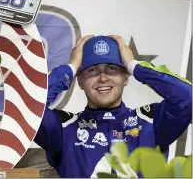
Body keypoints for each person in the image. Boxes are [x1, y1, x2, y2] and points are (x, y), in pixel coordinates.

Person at [34, 35, 192, 178]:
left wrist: (135, 66)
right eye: (92, 70)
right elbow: (28, 106)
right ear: (80, 81)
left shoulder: (151, 122)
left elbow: (187, 96)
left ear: (125, 77)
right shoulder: (63, 129)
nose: (103, 78)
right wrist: (70, 68)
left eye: (112, 68)